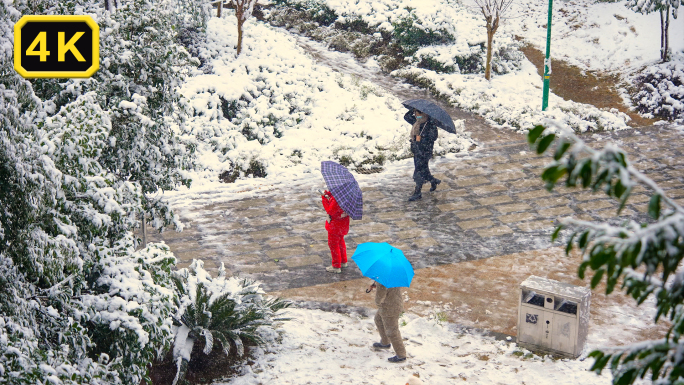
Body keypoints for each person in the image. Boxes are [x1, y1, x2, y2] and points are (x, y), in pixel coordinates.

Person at [404, 108, 441, 201]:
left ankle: (418, 192)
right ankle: (433, 181)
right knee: (424, 170)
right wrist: (412, 110)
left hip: (424, 152)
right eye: (415, 113)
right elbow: (406, 117)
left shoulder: (429, 124)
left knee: (419, 171)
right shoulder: (417, 122)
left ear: (424, 114)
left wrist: (422, 137)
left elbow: (433, 137)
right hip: (417, 151)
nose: (416, 115)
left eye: (418, 113)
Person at [368, 280, 407, 363]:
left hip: (389, 308)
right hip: (394, 303)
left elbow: (379, 299)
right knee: (378, 320)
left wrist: (378, 288)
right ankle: (385, 343)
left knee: (392, 331)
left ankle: (401, 355)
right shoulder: (392, 277)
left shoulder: (383, 281)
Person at [322, 189, 350, 273]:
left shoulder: (337, 199)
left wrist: (324, 199)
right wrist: (329, 194)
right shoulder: (346, 195)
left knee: (333, 244)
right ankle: (343, 261)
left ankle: (336, 266)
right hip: (342, 224)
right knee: (340, 242)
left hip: (335, 226)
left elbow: (330, 210)